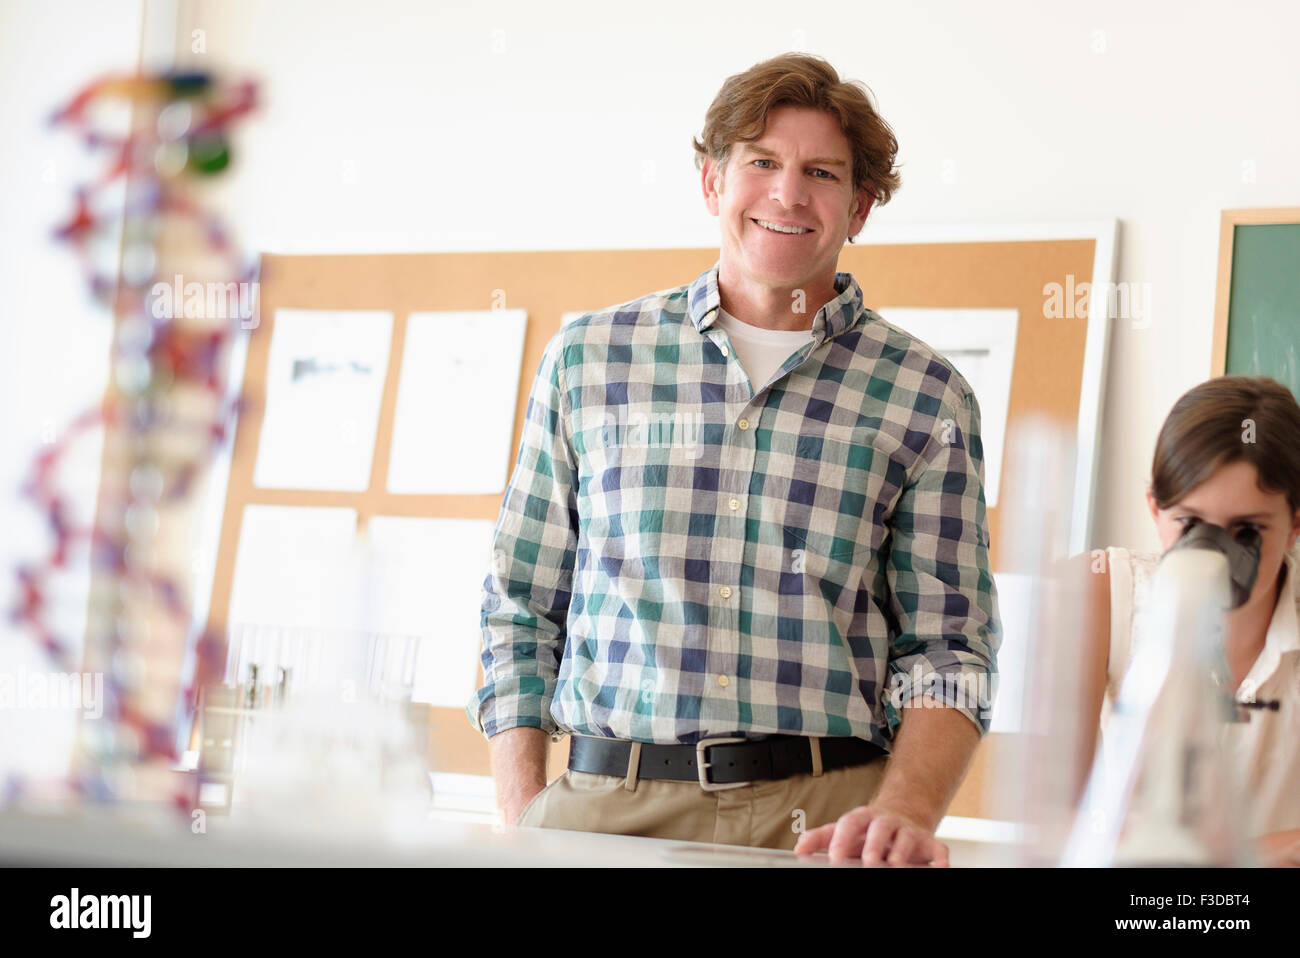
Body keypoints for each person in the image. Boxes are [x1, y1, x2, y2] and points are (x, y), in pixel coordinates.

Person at [467, 52, 1001, 866]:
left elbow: (948, 648)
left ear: (858, 208)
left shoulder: (927, 396)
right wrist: (521, 813)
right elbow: (519, 604)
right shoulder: (587, 360)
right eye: (762, 162)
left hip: (825, 820)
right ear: (713, 182)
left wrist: (901, 814)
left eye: (821, 172)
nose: (788, 193)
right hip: (599, 811)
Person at [1079, 375, 1300, 866]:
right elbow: (1065, 823)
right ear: (1155, 508)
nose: (1215, 557)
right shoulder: (1101, 592)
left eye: (1247, 530)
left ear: (1296, 524)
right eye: (1191, 525)